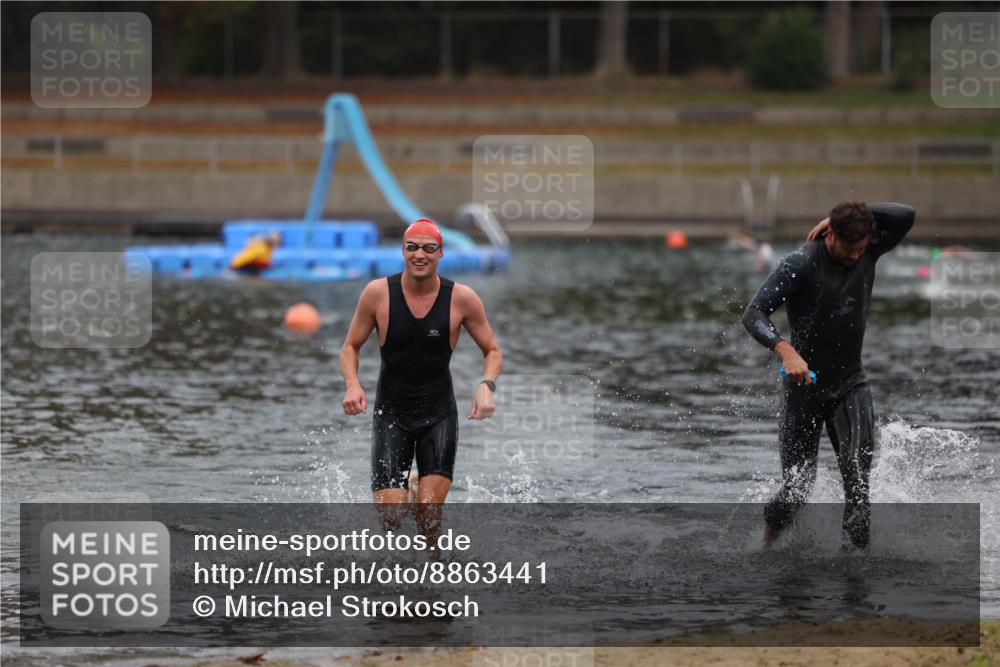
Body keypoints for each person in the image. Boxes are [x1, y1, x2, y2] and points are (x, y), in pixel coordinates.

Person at [742, 201, 916, 549]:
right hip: (802, 391)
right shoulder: (801, 263)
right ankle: (767, 546)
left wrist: (841, 216)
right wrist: (785, 350)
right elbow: (754, 313)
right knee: (797, 489)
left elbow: (905, 214)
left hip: (851, 384)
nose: (855, 257)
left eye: (861, 249)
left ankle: (856, 572)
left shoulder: (870, 246)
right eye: (849, 248)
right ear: (831, 236)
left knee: (857, 483)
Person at [340, 218, 502, 523]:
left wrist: (486, 386)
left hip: (438, 414)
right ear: (402, 251)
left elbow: (492, 350)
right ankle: (411, 488)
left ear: (440, 253)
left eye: (429, 248)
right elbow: (350, 346)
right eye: (412, 247)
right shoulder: (377, 294)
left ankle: (434, 568)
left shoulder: (461, 298)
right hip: (391, 415)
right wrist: (352, 384)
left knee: (429, 514)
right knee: (392, 516)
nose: (420, 254)